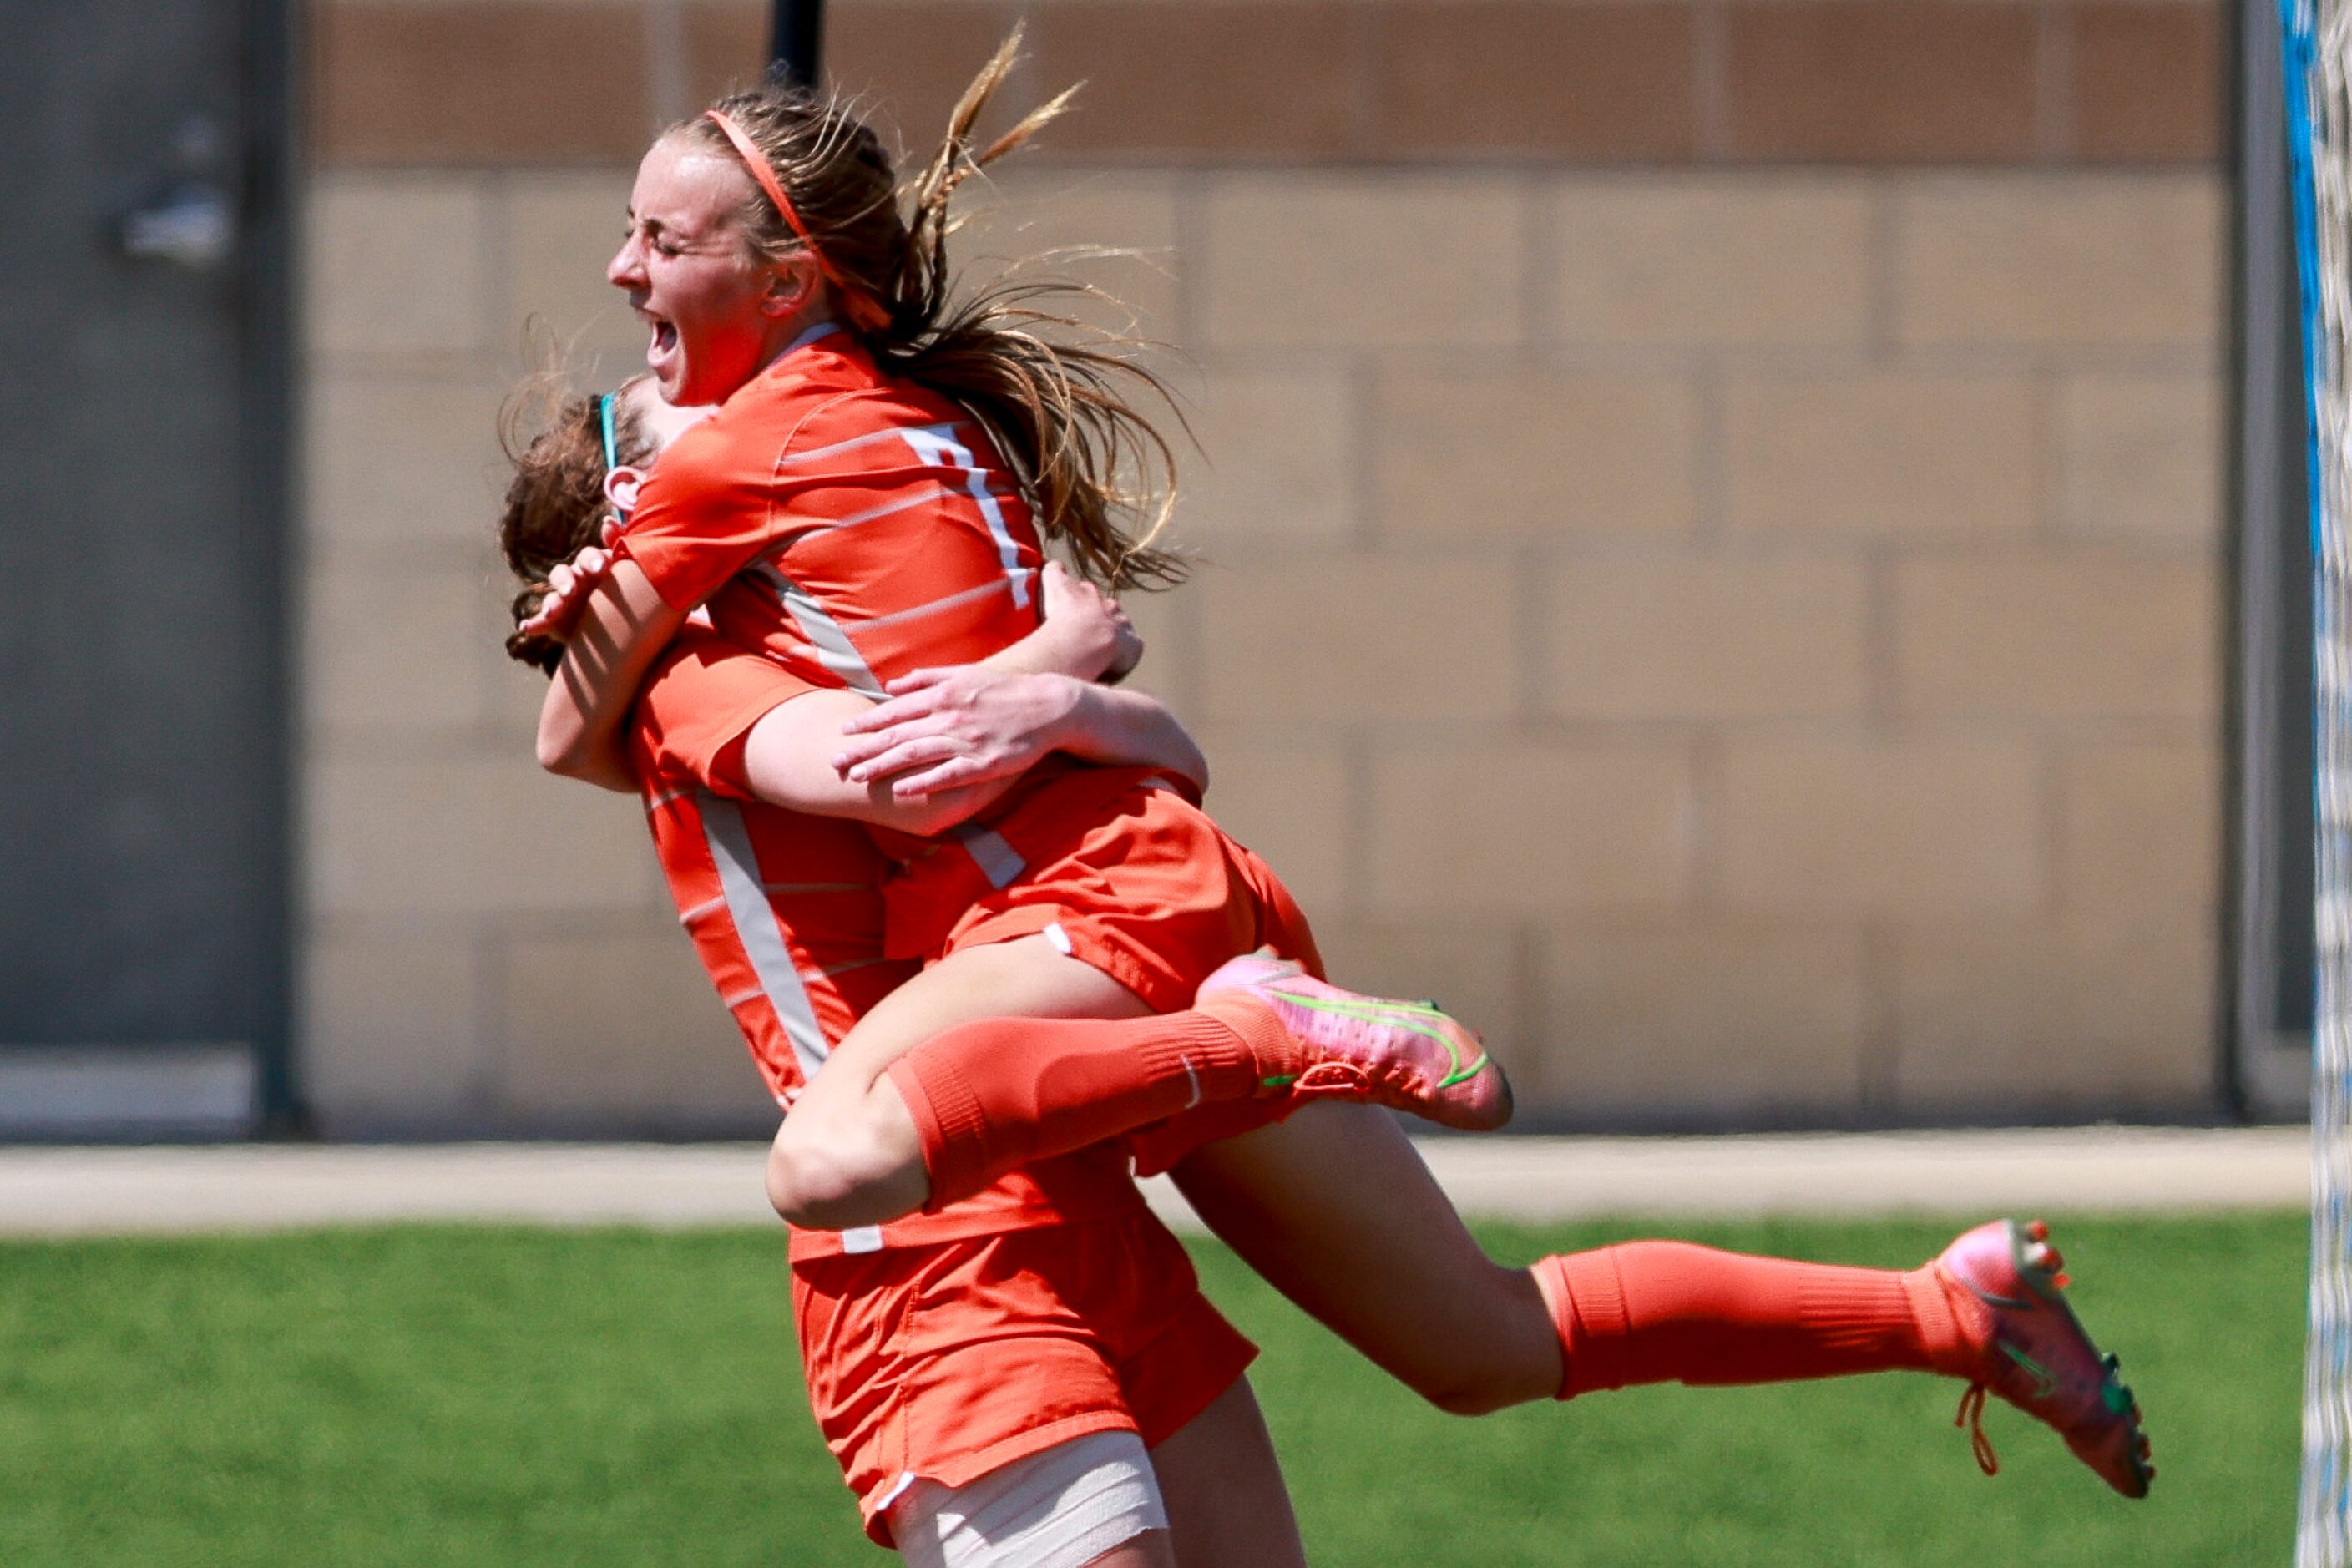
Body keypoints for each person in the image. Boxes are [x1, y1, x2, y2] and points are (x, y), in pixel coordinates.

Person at [524, 37, 2156, 1505]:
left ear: (793, 280)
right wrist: (1067, 678)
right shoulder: (933, 435)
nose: (622, 275)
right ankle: (1952, 1313)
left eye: (662, 243)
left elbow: (609, 735)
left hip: (1081, 931)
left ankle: (1248, 1047)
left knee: (835, 1155)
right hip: (1159, 895)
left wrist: (616, 595)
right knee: (1478, 1344)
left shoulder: (728, 474)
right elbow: (1119, 714)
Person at [503, 377, 1307, 1567]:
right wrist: (1060, 656)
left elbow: (1169, 761)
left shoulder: (849, 648)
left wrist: (1075, 699)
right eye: (710, 425)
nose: (772, 431)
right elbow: (910, 773)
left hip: (1072, 1203)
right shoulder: (694, 677)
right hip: (930, 1253)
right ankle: (1265, 1035)